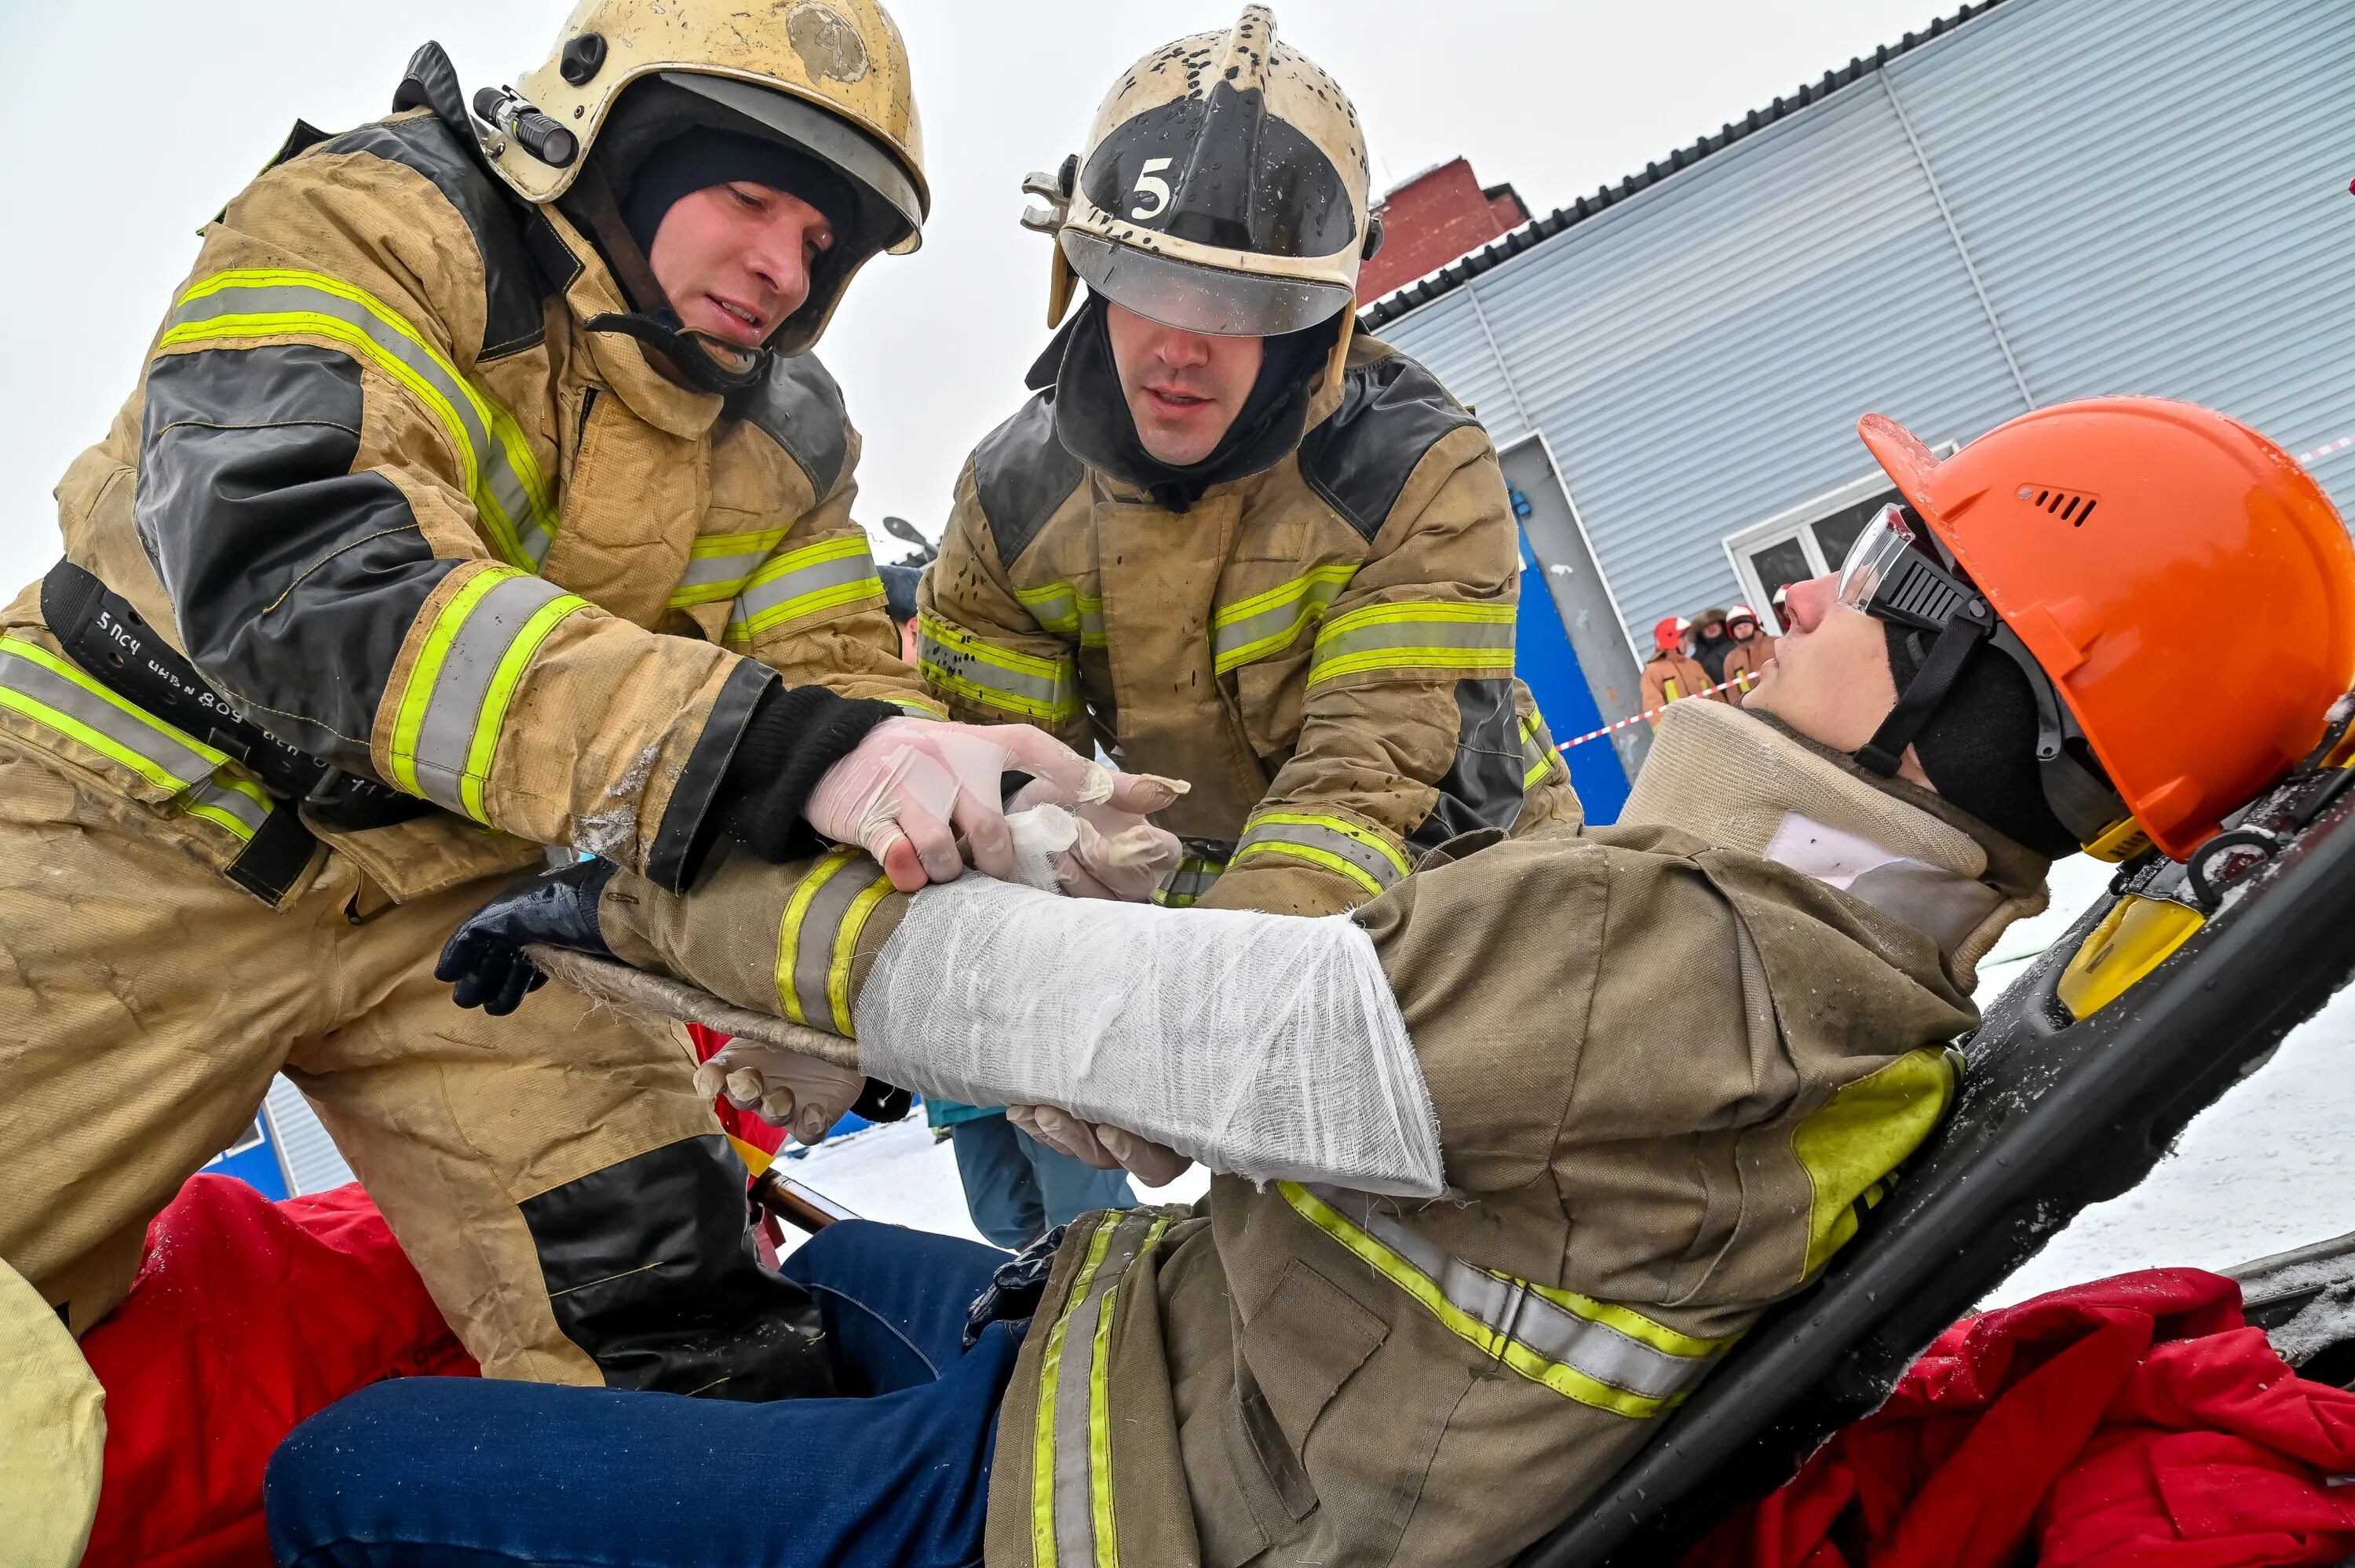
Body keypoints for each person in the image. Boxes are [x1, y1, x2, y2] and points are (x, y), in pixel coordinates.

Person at [272, 392, 2355, 1560]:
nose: (1813, 577)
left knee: (349, 1475)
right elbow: (1359, 1051)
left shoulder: (1685, 962)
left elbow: (1085, 1026)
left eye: (1899, 573)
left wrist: (626, 914)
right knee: (743, 1301)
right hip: (1175, 1368)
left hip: (1102, 1509)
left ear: (1997, 712)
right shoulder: (1818, 968)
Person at [0, 0, 1152, 1398]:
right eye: (750, 197)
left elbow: (840, 693)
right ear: (612, 135)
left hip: (458, 909)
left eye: (824, 243)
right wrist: (802, 755)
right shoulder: (372, 222)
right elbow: (298, 575)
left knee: (686, 1330)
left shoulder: (784, 435)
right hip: (109, 818)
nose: (785, 268)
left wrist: (995, 929)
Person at [914, 6, 1579, 921]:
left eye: (1240, 303)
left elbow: (1362, 787)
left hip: (1479, 884)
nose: (1182, 347)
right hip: (1220, 892)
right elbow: (1001, 781)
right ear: (1084, 273)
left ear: (1321, 316)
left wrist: (1203, 1007)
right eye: (1148, 284)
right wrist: (1051, 858)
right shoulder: (1009, 507)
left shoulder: (1414, 475)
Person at [896, 560, 1145, 1245]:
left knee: (1088, 1219)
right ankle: (1045, 1321)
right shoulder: (872, 739)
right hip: (951, 1047)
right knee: (1004, 1216)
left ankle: (1120, 1327)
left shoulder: (993, 713)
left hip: (1042, 1016)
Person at [1641, 613, 1720, 721]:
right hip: (1681, 734)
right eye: (1682, 637)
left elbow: (1715, 696)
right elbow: (1654, 712)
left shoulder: (1693, 665)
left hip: (1710, 727)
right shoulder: (1653, 672)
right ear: (1669, 638)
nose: (1686, 641)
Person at [1720, 602, 1777, 694]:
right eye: (1738, 628)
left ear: (1754, 625)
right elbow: (1733, 692)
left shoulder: (1775, 643)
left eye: (1746, 625)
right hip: (1751, 706)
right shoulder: (1731, 659)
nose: (1743, 630)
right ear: (1732, 632)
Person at [1687, 604, 1737, 681]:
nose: (1710, 627)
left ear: (1722, 624)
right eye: (1705, 626)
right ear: (1700, 634)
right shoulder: (1697, 662)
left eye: (1713, 623)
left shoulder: (1739, 643)